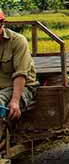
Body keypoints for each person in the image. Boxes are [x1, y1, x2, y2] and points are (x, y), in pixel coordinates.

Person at [0, 8, 38, 145]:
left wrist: (15, 101)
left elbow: (21, 74)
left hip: (21, 87)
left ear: (3, 23)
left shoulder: (17, 41)